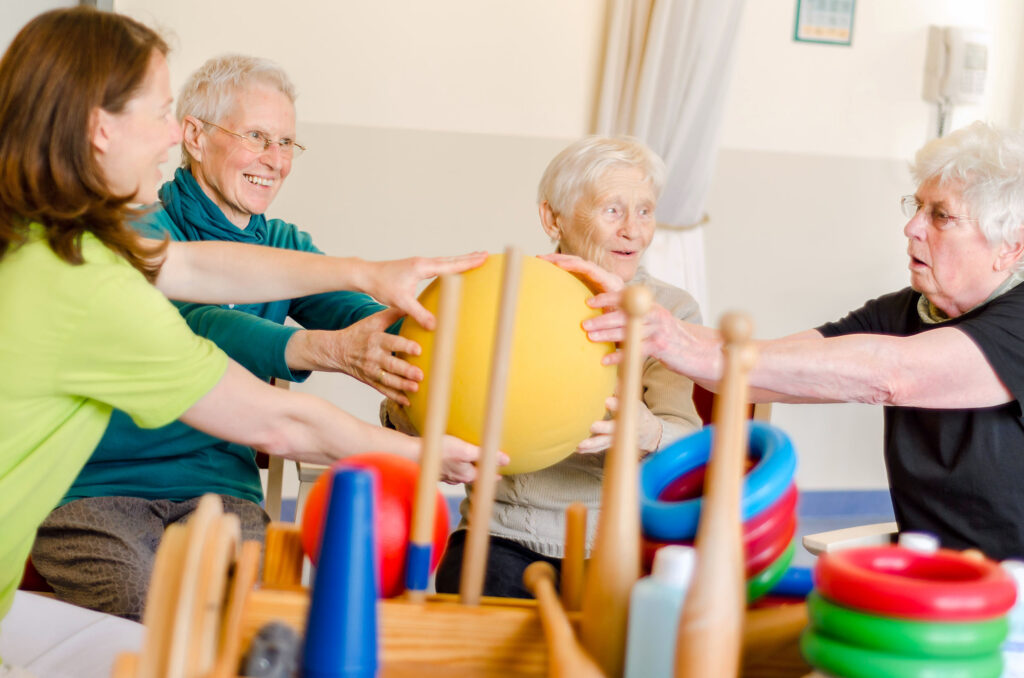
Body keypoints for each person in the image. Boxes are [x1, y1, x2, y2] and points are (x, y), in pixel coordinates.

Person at [0, 6, 490, 649]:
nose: (170, 136)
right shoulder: (90, 281)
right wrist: (431, 458)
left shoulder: (55, 244)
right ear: (99, 129)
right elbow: (277, 418)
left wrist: (373, 281)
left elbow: (203, 267)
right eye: (157, 114)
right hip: (97, 504)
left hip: (203, 500)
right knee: (163, 634)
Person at [578, 121, 1024, 561]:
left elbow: (894, 374)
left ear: (1010, 247)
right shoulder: (904, 310)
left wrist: (677, 341)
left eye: (940, 215)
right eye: (917, 206)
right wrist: (655, 326)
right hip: (934, 575)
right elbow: (763, 369)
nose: (912, 227)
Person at [431, 136, 703, 597]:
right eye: (612, 210)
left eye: (645, 211)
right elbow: (408, 411)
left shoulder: (671, 310)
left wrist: (648, 431)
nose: (633, 231)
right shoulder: (499, 290)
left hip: (619, 541)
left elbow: (687, 437)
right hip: (501, 534)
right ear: (551, 217)